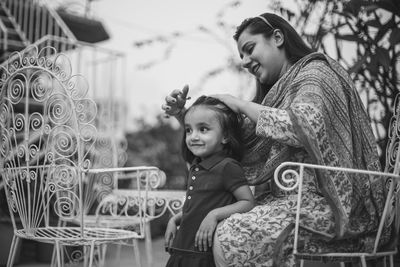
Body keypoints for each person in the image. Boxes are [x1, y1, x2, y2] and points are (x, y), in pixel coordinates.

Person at [162, 12, 390, 267]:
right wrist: (182, 116)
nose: (246, 62)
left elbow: (302, 125)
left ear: (278, 38)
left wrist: (240, 103)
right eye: (242, 56)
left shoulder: (316, 74)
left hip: (335, 206)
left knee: (231, 235)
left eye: (249, 49)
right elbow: (232, 144)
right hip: (288, 202)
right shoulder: (274, 94)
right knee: (215, 225)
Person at [164, 95, 255, 267]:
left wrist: (214, 215)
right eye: (189, 130)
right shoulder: (196, 166)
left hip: (204, 255)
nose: (193, 136)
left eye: (203, 129)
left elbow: (248, 202)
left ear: (225, 136)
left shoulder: (228, 167)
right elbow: (199, 207)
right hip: (182, 250)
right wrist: (174, 220)